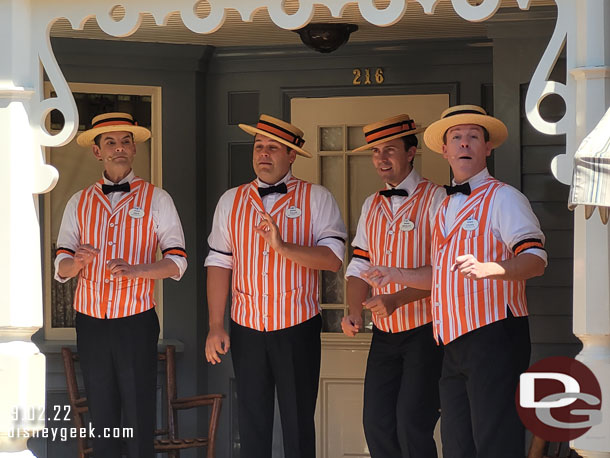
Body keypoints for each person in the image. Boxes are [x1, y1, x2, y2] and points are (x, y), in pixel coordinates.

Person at [366, 105, 547, 458]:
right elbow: (442, 275)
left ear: (487, 147)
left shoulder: (504, 198)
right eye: (456, 137)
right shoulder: (443, 206)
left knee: (495, 442)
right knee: (457, 444)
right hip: (451, 341)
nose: (465, 143)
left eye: (473, 137)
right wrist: (396, 274)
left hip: (494, 335)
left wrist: (494, 268)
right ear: (444, 149)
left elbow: (536, 260)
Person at [204, 114, 347, 458]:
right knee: (252, 425)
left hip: (297, 327)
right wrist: (215, 325)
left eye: (272, 147)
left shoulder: (317, 197)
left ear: (292, 155)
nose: (263, 154)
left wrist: (283, 248)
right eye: (258, 147)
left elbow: (333, 260)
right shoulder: (230, 201)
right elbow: (219, 263)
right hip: (246, 328)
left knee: (298, 426)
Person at [54, 112, 188, 458]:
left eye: (126, 141)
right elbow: (61, 265)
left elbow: (177, 261)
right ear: (97, 151)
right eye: (110, 142)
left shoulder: (158, 199)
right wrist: (78, 262)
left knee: (139, 407)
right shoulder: (78, 202)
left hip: (136, 319)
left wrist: (139, 270)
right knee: (103, 412)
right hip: (91, 321)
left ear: (134, 148)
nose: (119, 148)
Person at [340, 114, 444, 458]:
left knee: (412, 424)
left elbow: (445, 272)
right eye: (375, 152)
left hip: (426, 331)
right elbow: (358, 265)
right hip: (383, 335)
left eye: (390, 150)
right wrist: (354, 311)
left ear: (411, 152)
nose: (381, 159)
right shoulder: (372, 204)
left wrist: (398, 299)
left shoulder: (437, 199)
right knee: (377, 424)